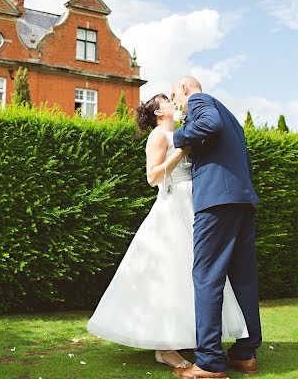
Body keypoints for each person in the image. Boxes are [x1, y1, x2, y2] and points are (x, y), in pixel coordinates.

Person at [87, 93, 247, 371]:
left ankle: (187, 334)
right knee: (169, 273)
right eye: (167, 101)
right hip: (172, 207)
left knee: (193, 273)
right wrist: (181, 152)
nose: (174, 102)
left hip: (192, 205)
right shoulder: (159, 136)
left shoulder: (182, 132)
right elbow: (152, 177)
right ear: (159, 113)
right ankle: (164, 347)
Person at [171, 76, 262, 379]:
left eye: (176, 96)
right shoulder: (233, 118)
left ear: (185, 89)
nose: (179, 105)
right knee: (243, 278)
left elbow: (208, 124)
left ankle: (209, 361)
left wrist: (178, 135)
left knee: (206, 276)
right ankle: (245, 354)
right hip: (241, 200)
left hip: (217, 202)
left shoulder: (199, 101)